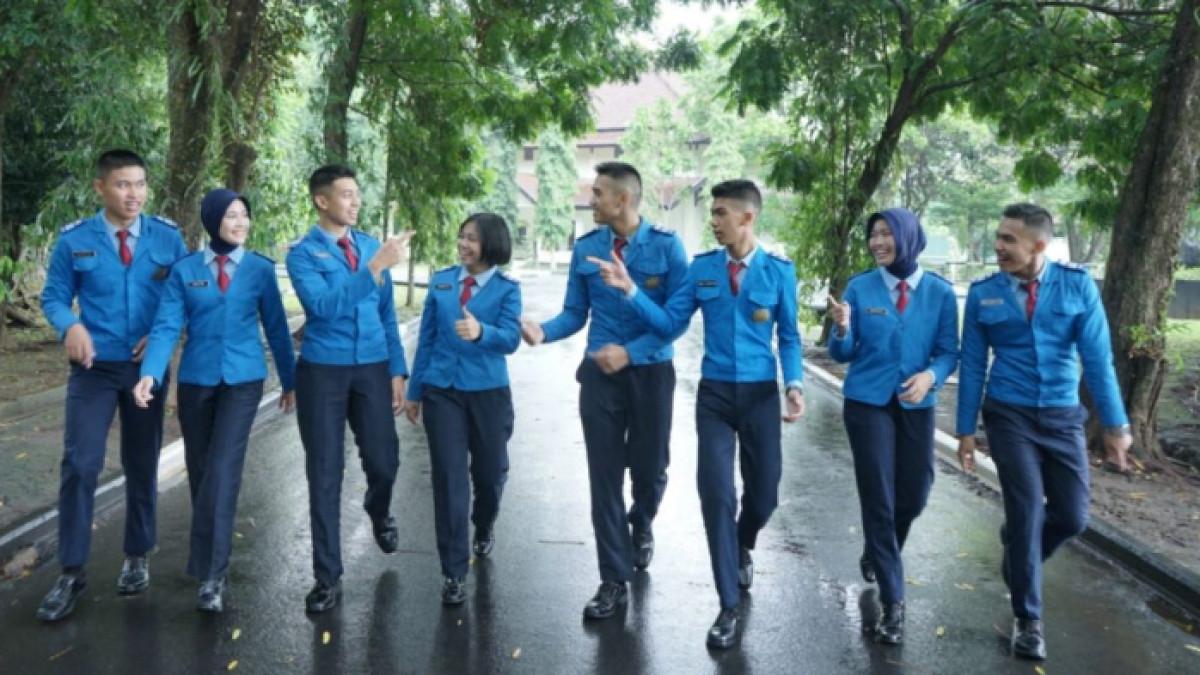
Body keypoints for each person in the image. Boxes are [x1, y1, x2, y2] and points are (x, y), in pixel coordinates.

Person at [588, 179, 805, 649]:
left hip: (761, 397)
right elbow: (671, 322)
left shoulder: (778, 271)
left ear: (748, 217)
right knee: (715, 494)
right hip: (715, 398)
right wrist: (631, 290)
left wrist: (794, 383)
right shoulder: (704, 268)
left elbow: (789, 336)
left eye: (722, 213)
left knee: (763, 496)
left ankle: (743, 541)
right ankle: (728, 604)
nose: (714, 221)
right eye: (713, 213)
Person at [956, 203, 1131, 661]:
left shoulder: (1076, 287)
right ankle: (1028, 619)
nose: (998, 246)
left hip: (1062, 416)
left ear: (1039, 245)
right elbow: (972, 365)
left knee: (1072, 517)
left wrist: (1115, 425)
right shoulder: (984, 294)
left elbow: (1097, 361)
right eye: (998, 236)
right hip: (1008, 415)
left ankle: (1019, 551)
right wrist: (965, 430)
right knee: (1027, 509)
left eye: (1008, 239)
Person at [519, 161, 689, 620]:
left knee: (651, 470)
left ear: (623, 199)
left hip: (650, 372)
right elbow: (575, 313)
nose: (590, 199)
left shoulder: (668, 247)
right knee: (604, 477)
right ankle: (613, 578)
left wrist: (630, 347)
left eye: (597, 193)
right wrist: (544, 331)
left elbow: (675, 323)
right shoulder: (588, 247)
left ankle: (643, 519)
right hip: (599, 375)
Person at [37, 149, 190, 622]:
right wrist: (70, 326)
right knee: (80, 463)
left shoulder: (167, 237)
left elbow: (183, 297)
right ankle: (71, 571)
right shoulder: (75, 240)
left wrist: (161, 337)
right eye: (123, 184)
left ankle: (137, 554)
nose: (133, 194)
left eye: (140, 184)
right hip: (94, 367)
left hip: (146, 368)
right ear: (100, 187)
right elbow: (54, 297)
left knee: (141, 462)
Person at [131, 188, 296, 612]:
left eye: (244, 215)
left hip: (243, 380)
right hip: (197, 380)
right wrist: (150, 372)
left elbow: (277, 328)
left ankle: (211, 575)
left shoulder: (260, 270)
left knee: (222, 470)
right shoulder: (185, 270)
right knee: (202, 472)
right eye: (231, 215)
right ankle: (210, 559)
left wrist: (290, 380)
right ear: (212, 220)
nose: (241, 223)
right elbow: (167, 326)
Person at [827, 207, 959, 644]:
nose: (878, 242)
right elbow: (842, 353)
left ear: (908, 238)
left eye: (887, 234)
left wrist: (931, 377)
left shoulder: (940, 293)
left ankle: (877, 548)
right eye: (873, 234)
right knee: (879, 499)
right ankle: (894, 601)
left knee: (915, 494)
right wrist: (842, 328)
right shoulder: (860, 287)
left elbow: (949, 352)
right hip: (867, 404)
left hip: (916, 404)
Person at [285, 165, 412, 613]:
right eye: (345, 194)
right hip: (323, 370)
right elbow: (322, 307)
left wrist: (397, 370)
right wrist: (374, 268)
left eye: (357, 194)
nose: (355, 202)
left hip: (373, 367)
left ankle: (378, 509)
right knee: (324, 471)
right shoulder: (302, 254)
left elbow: (386, 313)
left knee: (384, 459)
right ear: (322, 201)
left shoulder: (371, 246)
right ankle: (327, 577)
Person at [404, 213, 521, 606]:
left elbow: (510, 339)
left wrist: (481, 331)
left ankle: (484, 524)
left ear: (491, 244)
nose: (463, 244)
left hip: (488, 393)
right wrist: (415, 392)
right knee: (450, 479)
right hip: (443, 393)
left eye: (471, 238)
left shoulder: (507, 289)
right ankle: (453, 572)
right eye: (461, 236)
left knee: (490, 475)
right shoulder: (441, 281)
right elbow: (427, 338)